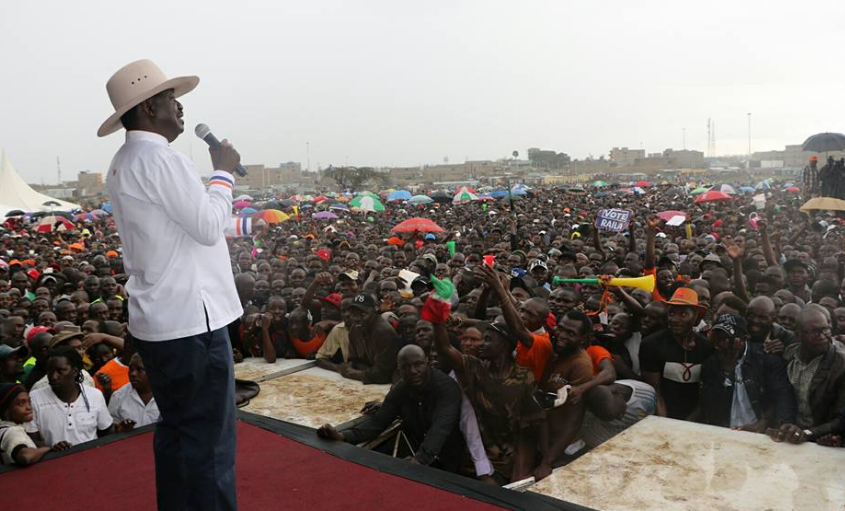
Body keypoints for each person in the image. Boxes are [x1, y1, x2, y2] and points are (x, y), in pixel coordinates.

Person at [101, 59, 255, 511]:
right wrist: (223, 172)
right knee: (210, 448)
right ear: (149, 106)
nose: (180, 107)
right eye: (172, 98)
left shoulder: (124, 160)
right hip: (192, 323)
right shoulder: (160, 159)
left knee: (177, 436)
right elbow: (209, 226)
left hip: (162, 322)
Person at [317, 345, 464, 471]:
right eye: (406, 367)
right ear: (399, 369)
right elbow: (378, 422)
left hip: (449, 458)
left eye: (418, 364)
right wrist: (343, 436)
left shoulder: (446, 387)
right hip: (419, 454)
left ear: (428, 363)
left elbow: (441, 427)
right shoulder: (401, 388)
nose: (413, 371)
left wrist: (420, 460)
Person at [698, 314, 796, 431]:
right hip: (725, 432)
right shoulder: (711, 363)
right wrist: (727, 369)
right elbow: (709, 405)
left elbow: (783, 397)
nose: (721, 344)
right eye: (718, 338)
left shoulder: (767, 359)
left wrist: (765, 423)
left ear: (744, 339)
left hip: (760, 433)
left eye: (727, 339)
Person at [25, 347, 126, 448]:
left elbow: (105, 432)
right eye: (50, 371)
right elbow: (31, 439)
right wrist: (51, 450)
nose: (53, 376)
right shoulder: (35, 398)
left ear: (75, 371)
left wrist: (121, 430)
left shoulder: (95, 395)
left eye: (61, 371)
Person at [772, 308, 845, 444]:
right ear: (798, 334)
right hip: (791, 436)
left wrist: (808, 433)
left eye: (826, 329)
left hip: (824, 441)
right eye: (816, 331)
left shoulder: (841, 366)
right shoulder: (787, 357)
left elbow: (841, 420)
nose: (823, 336)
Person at [640, 288, 713, 420]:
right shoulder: (651, 344)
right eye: (671, 313)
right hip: (661, 415)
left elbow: (708, 391)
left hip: (697, 417)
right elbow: (655, 390)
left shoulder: (707, 347)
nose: (675, 319)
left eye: (683, 314)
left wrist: (689, 422)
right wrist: (666, 423)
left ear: (695, 317)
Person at [338, 293, 398, 384]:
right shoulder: (354, 329)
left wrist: (354, 373)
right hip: (363, 382)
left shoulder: (384, 333)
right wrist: (350, 366)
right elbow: (353, 359)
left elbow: (384, 374)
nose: (357, 319)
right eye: (353, 314)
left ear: (374, 312)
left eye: (362, 314)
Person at [0, 383, 58, 466]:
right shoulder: (12, 431)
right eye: (21, 403)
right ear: (6, 410)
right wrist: (49, 449)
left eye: (29, 402)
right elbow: (25, 456)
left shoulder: (5, 428)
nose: (29, 407)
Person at [108, 353, 160, 427]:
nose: (133, 374)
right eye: (131, 369)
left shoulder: (168, 393)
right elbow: (111, 430)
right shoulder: (118, 397)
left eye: (140, 369)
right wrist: (121, 428)